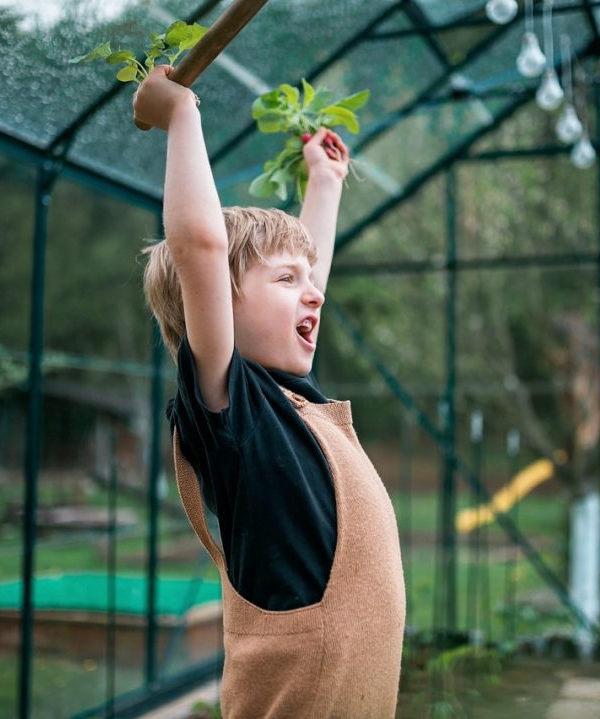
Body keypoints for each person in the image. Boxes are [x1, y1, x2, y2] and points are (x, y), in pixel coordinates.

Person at [136, 65, 405, 718]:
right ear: (219, 307)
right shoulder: (233, 406)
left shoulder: (293, 401)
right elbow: (200, 244)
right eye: (286, 278)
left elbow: (312, 277)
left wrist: (326, 183)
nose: (314, 292)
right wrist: (180, 114)